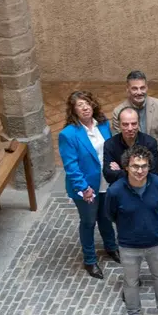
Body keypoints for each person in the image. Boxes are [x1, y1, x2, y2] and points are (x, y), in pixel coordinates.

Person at [103, 107, 158, 293]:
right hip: (124, 197)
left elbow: (149, 172)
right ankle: (132, 281)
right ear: (119, 125)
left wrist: (121, 171)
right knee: (129, 241)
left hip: (148, 193)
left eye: (134, 123)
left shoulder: (149, 142)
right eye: (125, 124)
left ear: (139, 123)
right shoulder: (110, 145)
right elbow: (107, 174)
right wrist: (129, 174)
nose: (130, 128)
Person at [105, 145, 158, 315]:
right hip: (128, 246)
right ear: (126, 166)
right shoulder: (115, 191)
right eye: (135, 166)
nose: (140, 170)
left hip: (156, 242)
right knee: (131, 282)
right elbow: (110, 214)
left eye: (144, 166)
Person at [58, 91, 118, 279]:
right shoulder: (68, 134)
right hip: (87, 187)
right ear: (73, 111)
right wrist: (83, 188)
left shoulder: (103, 124)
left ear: (93, 105)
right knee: (89, 222)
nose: (84, 108)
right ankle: (90, 259)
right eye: (79, 105)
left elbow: (110, 149)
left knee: (106, 217)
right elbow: (71, 166)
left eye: (87, 103)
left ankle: (111, 247)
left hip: (105, 181)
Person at [111, 70, 158, 184]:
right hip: (133, 169)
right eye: (135, 88)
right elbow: (118, 142)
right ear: (128, 89)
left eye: (142, 88)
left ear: (147, 87)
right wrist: (137, 164)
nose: (139, 92)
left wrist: (149, 163)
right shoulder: (118, 112)